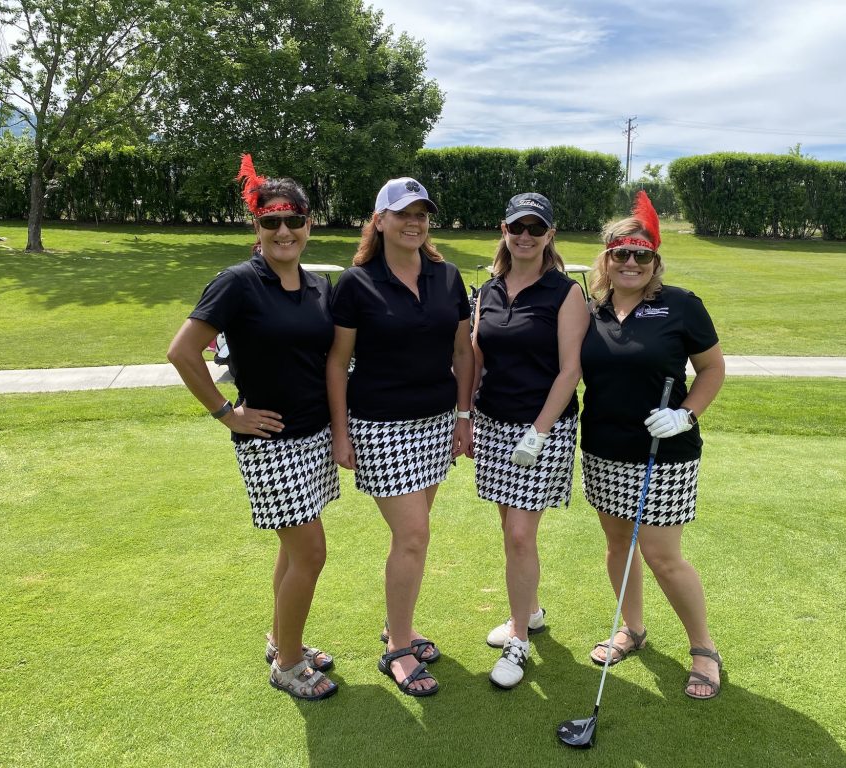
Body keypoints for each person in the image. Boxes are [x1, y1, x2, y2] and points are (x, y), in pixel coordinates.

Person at [167, 155, 339, 702]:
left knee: (292, 551)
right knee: (310, 552)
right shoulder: (238, 283)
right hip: (268, 444)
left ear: (309, 224)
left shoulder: (316, 286)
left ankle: (282, 639)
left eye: (294, 220)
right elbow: (182, 352)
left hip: (312, 436)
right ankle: (288, 664)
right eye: (271, 221)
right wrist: (226, 413)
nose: (284, 231)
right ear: (256, 226)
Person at [327, 177, 473, 697]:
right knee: (413, 536)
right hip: (380, 426)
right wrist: (341, 433)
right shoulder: (355, 283)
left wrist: (463, 416)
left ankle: (400, 627)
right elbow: (338, 363)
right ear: (379, 220)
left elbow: (462, 353)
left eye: (422, 214)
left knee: (411, 535)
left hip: (436, 422)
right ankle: (397, 649)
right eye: (403, 213)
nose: (414, 223)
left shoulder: (447, 276)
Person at [579, 191, 727, 700]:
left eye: (642, 254)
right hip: (602, 448)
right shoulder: (592, 309)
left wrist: (685, 414)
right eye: (621, 252)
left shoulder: (680, 305)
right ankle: (633, 629)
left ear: (655, 261)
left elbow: (712, 370)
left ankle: (704, 648)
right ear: (606, 258)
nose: (631, 262)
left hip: (665, 454)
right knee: (619, 545)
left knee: (663, 555)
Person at [472, 193, 589, 689]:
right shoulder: (489, 289)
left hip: (544, 427)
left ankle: (519, 637)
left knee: (520, 535)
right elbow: (478, 358)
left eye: (535, 228)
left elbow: (571, 370)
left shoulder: (566, 293)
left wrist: (538, 432)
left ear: (549, 235)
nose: (524, 235)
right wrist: (465, 414)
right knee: (510, 528)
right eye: (516, 226)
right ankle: (532, 610)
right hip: (493, 424)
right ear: (503, 229)